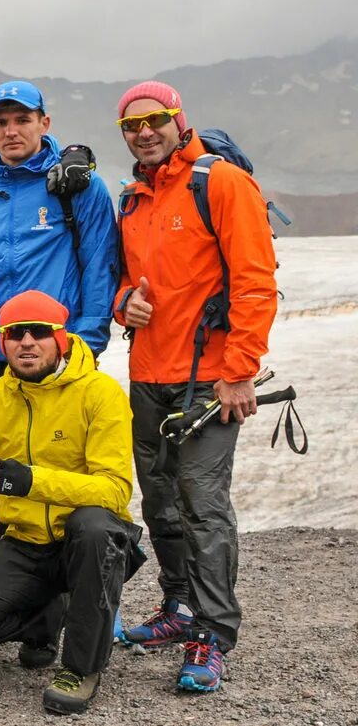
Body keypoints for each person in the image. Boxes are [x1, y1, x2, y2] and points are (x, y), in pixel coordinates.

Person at [112, 81, 278, 693]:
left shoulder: (221, 183)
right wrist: (122, 301)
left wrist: (239, 371)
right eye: (132, 125)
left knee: (203, 505)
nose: (145, 132)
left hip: (209, 381)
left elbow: (256, 281)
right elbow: (123, 281)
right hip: (149, 375)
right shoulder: (132, 198)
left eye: (156, 120)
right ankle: (179, 608)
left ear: (179, 120)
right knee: (160, 502)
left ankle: (213, 632)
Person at [0, 291, 141, 715]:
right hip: (26, 541)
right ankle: (48, 615)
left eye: (39, 332)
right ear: (2, 341)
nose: (27, 342)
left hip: (86, 541)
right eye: (15, 333)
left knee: (95, 527)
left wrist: (34, 482)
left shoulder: (101, 392)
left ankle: (81, 668)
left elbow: (115, 490)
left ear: (61, 338)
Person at [0, 82, 117, 415]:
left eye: (22, 119)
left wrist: (86, 350)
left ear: (44, 123)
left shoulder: (77, 186)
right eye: (2, 122)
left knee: (58, 463)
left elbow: (99, 270)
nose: (12, 131)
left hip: (58, 356)